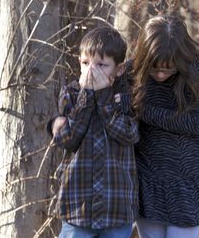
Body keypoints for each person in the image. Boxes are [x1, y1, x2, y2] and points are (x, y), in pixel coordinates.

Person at [131, 15, 199, 238]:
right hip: (148, 178)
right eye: (155, 69)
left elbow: (193, 122)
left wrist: (142, 110)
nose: (161, 74)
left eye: (168, 69)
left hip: (188, 177)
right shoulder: (132, 73)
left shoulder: (194, 71)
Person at [47, 26, 139, 238]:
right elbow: (67, 139)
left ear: (119, 69)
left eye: (101, 65)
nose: (91, 71)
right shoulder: (71, 93)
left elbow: (129, 134)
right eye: (86, 63)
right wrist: (86, 97)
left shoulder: (126, 97)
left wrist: (105, 97)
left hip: (116, 206)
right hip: (78, 206)